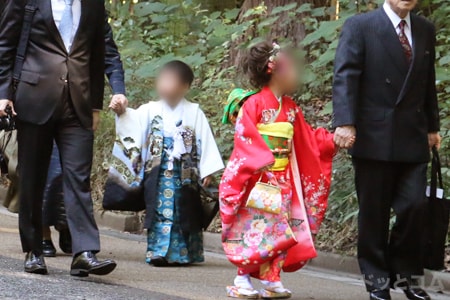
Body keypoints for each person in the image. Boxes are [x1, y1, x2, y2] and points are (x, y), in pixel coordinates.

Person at [332, 0, 440, 299]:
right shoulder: (361, 26)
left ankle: (407, 277)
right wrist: (345, 122)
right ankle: (377, 280)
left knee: (415, 207)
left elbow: (426, 81)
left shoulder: (424, 29)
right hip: (373, 134)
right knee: (374, 213)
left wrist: (432, 126)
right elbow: (345, 76)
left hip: (413, 134)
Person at [0, 0, 117, 276]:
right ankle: (33, 250)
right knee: (32, 178)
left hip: (78, 103)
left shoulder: (92, 3)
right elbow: (5, 44)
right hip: (33, 98)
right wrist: (3, 93)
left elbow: (97, 52)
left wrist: (96, 105)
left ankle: (84, 252)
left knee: (78, 177)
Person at [219, 41, 335, 299]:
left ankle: (272, 278)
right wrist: (261, 159)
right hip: (261, 177)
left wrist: (331, 141)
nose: (296, 75)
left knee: (281, 230)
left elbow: (308, 140)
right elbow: (245, 137)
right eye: (292, 69)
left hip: (283, 179)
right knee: (256, 229)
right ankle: (242, 278)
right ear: (275, 71)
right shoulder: (255, 104)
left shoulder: (291, 108)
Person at [110, 60, 224, 266]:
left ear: (185, 86)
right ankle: (158, 251)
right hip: (159, 172)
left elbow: (205, 139)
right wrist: (121, 112)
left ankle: (184, 253)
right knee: (159, 210)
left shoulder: (194, 112)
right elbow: (132, 124)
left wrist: (208, 170)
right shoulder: (150, 109)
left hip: (185, 174)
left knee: (184, 212)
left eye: (174, 82)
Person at [42, 17, 128, 257]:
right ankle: (42, 232)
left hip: (78, 105)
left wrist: (118, 90)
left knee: (72, 173)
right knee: (42, 172)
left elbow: (109, 54)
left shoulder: (91, 9)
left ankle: (71, 230)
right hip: (38, 101)